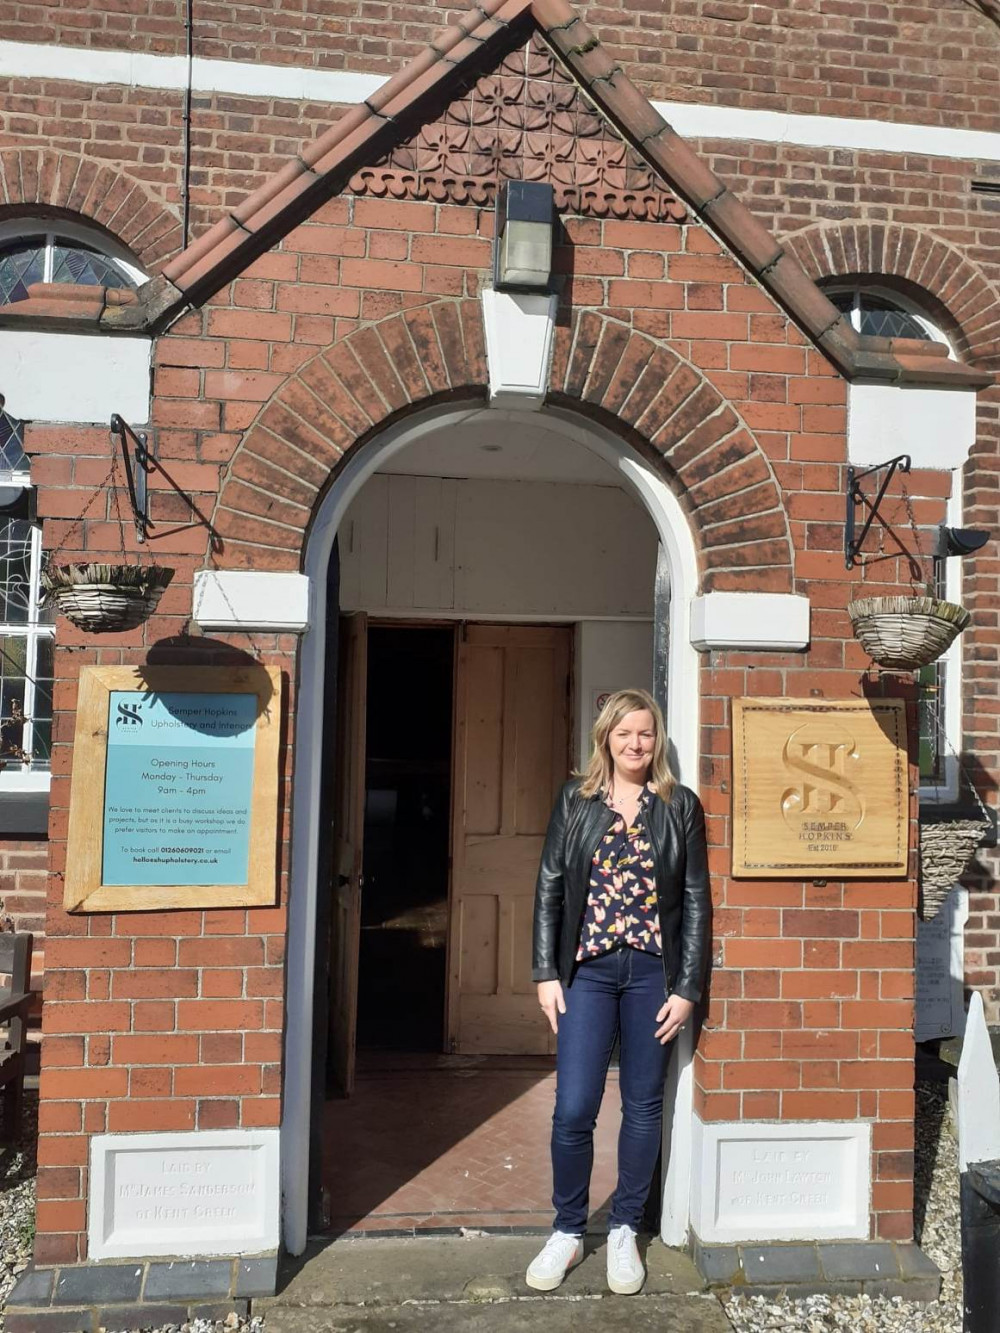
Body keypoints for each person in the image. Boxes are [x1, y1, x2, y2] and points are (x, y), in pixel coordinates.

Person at [525, 688, 710, 1296]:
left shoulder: (678, 805)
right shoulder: (576, 801)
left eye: (647, 734)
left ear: (657, 741)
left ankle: (627, 1226)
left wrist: (687, 986)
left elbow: (695, 900)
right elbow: (550, 884)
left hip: (653, 973)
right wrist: (546, 973)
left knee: (642, 1104)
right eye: (625, 733)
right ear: (605, 737)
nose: (636, 744)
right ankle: (569, 1230)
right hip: (590, 973)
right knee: (575, 1105)